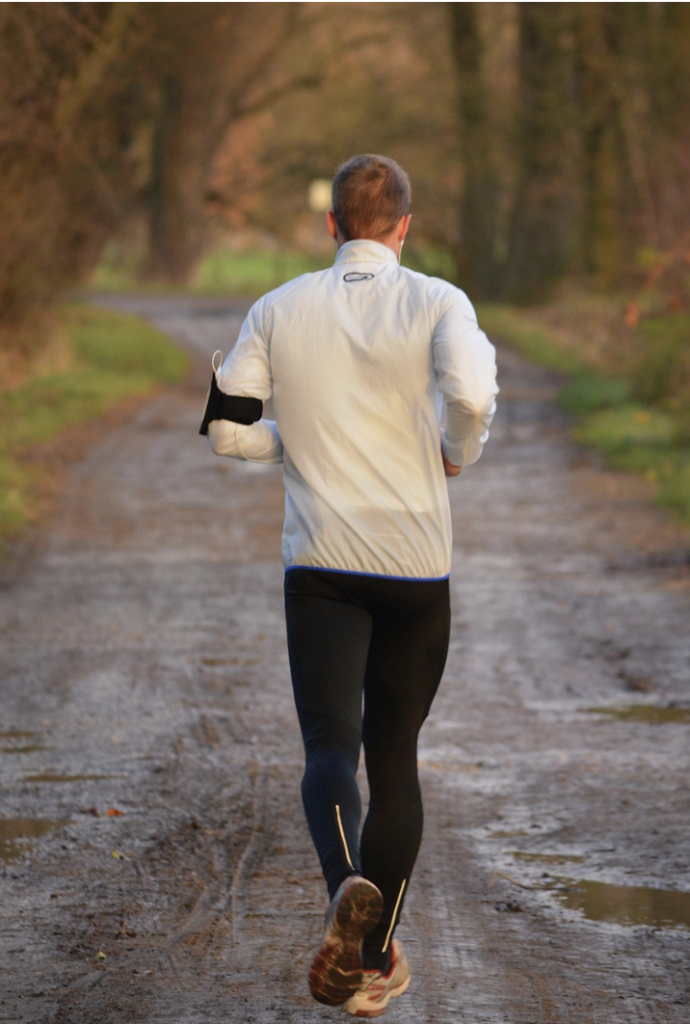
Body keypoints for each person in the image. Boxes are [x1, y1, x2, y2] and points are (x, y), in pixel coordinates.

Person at [200, 154, 498, 1018]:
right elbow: (472, 394)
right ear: (404, 226)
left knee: (330, 747)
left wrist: (293, 443)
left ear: (331, 225)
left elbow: (226, 431)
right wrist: (457, 450)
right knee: (394, 756)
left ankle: (344, 885)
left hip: (322, 564)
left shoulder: (279, 306)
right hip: (415, 563)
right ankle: (370, 963)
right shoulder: (439, 300)